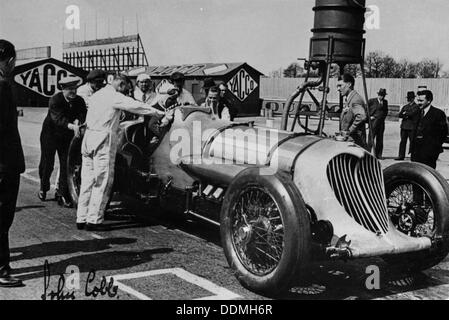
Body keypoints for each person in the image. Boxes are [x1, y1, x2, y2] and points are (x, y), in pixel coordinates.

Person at [76, 75, 170, 231]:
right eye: (127, 88)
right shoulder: (114, 96)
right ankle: (93, 220)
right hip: (103, 139)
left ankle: (81, 217)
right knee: (103, 181)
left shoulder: (97, 95)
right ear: (121, 83)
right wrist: (158, 113)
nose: (127, 92)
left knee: (87, 180)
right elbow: (136, 106)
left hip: (88, 139)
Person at [38, 76, 87, 208]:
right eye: (70, 89)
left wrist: (78, 121)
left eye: (75, 89)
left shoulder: (79, 100)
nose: (73, 92)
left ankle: (62, 194)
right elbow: (58, 119)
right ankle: (43, 187)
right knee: (48, 163)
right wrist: (73, 126)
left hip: (66, 137)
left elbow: (82, 113)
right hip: (50, 135)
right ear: (63, 89)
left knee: (66, 164)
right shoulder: (55, 100)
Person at [0, 39, 25, 287]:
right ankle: (2, 270)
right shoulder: (3, 86)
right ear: (9, 61)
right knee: (2, 219)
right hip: (4, 164)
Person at [410, 90, 448, 169]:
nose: (419, 103)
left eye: (421, 101)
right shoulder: (416, 112)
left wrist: (435, 149)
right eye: (418, 100)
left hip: (429, 154)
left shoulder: (438, 114)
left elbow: (443, 133)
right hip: (415, 153)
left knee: (427, 176)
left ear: (429, 101)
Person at [337, 73, 368, 149]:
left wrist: (349, 131)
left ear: (349, 84)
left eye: (340, 85)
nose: (338, 89)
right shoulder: (349, 98)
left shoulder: (355, 99)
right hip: (350, 141)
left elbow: (362, 116)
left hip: (355, 143)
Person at [395, 91, 420, 160]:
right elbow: (400, 115)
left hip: (411, 127)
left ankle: (413, 156)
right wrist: (406, 115)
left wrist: (405, 114)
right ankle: (401, 156)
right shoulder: (405, 106)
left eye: (410, 98)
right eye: (408, 98)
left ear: (413, 98)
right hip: (404, 127)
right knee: (402, 142)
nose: (409, 99)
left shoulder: (416, 107)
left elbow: (412, 114)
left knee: (412, 142)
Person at [368, 89, 389, 159]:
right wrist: (369, 117)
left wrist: (382, 118)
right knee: (371, 139)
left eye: (383, 96)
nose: (381, 97)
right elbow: (366, 109)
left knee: (380, 139)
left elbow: (386, 111)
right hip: (373, 122)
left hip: (381, 123)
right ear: (378, 95)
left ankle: (378, 155)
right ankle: (367, 154)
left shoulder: (385, 102)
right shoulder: (372, 101)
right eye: (380, 95)